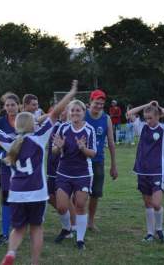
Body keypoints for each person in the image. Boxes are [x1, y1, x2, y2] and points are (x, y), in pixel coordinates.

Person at [0, 81, 77, 265]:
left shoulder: (11, 140)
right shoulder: (40, 138)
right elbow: (56, 113)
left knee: (17, 229)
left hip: (16, 193)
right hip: (37, 192)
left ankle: (11, 253)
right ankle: (34, 262)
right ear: (33, 124)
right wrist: (71, 93)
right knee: (36, 228)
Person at [127, 101, 164, 243]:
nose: (147, 121)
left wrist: (161, 109)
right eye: (146, 118)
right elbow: (130, 113)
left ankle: (159, 228)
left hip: (158, 171)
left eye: (150, 118)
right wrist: (146, 105)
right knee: (148, 204)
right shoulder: (141, 127)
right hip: (142, 171)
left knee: (156, 203)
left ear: (158, 117)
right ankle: (150, 233)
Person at [53, 99, 97, 250]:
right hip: (64, 172)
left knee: (79, 204)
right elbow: (53, 150)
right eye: (72, 110)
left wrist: (83, 148)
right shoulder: (63, 128)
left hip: (83, 173)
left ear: (84, 113)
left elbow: (93, 153)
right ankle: (66, 229)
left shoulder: (89, 129)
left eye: (78, 110)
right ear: (68, 113)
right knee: (61, 207)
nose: (75, 113)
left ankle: (80, 240)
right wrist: (59, 147)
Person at [84, 89, 118, 232]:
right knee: (79, 192)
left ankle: (90, 222)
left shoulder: (106, 119)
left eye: (101, 104)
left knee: (95, 193)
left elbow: (110, 142)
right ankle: (75, 221)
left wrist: (113, 165)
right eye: (96, 103)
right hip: (81, 160)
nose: (98, 106)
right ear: (90, 102)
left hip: (98, 160)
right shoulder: (82, 115)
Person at [0, 92, 19, 246]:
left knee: (21, 198)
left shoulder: (25, 120)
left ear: (18, 106)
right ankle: (4, 233)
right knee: (6, 198)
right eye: (7, 105)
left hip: (22, 168)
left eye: (13, 105)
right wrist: (3, 156)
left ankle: (20, 228)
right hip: (6, 166)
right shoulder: (1, 122)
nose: (10, 107)